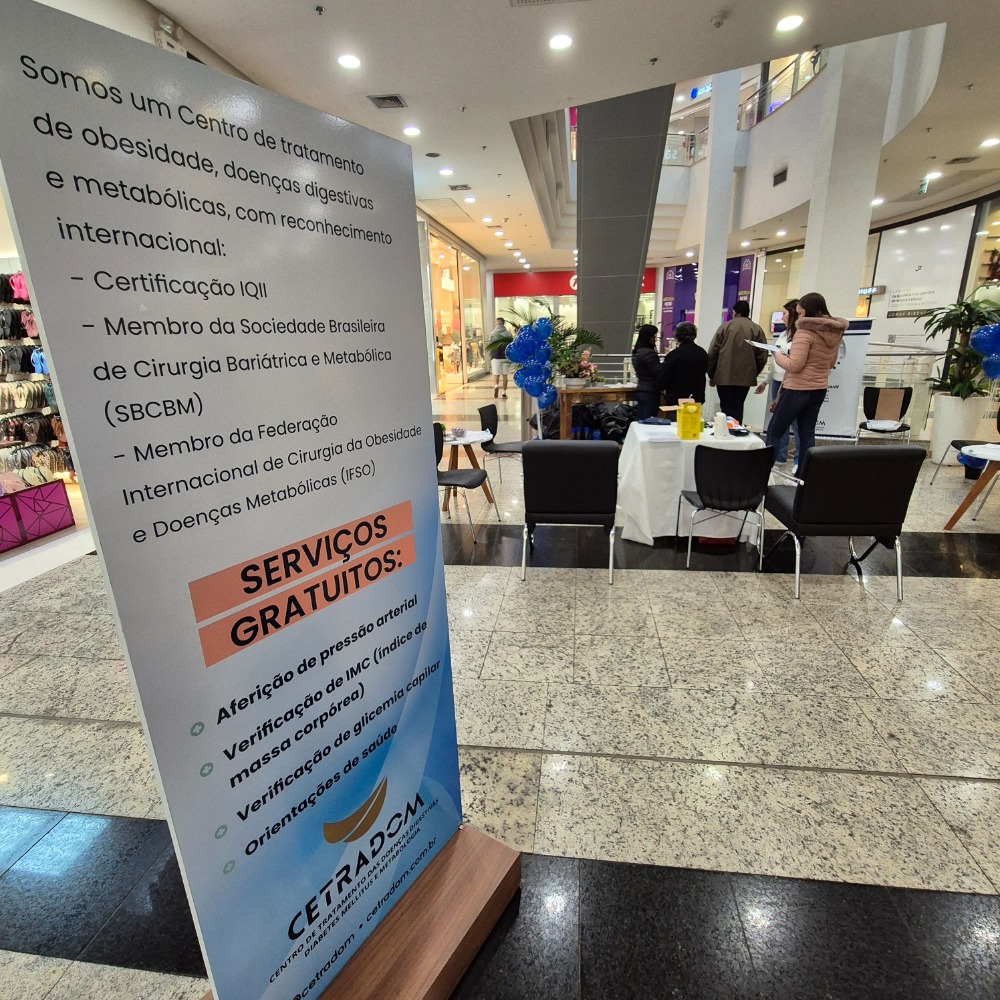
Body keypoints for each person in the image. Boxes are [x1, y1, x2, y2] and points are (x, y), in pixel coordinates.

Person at [767, 291, 848, 473]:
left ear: (809, 311)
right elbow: (831, 363)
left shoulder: (804, 332)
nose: (798, 317)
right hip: (819, 389)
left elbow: (794, 365)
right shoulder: (835, 332)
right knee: (807, 433)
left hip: (797, 389)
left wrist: (777, 355)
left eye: (800, 313)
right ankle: (804, 474)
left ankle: (762, 471)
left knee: (775, 430)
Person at [706, 300, 767, 424]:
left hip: (723, 376)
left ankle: (724, 430)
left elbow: (713, 353)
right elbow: (762, 355)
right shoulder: (757, 329)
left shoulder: (725, 327)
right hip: (745, 377)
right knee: (738, 405)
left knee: (725, 407)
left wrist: (712, 374)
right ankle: (736, 430)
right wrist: (753, 372)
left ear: (734, 312)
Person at [766, 300, 800, 464]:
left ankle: (799, 461)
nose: (782, 317)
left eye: (785, 313)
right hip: (777, 381)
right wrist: (766, 380)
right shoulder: (783, 334)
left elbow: (794, 363)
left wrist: (782, 357)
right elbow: (776, 359)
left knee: (796, 424)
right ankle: (780, 456)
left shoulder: (800, 336)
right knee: (779, 421)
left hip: (791, 383)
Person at [656, 322, 708, 406]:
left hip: (676, 398)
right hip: (697, 397)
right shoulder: (702, 353)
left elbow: (664, 377)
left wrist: (659, 386)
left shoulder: (674, 354)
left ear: (677, 336)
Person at [631, 324, 663, 419]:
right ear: (649, 337)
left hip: (641, 389)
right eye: (654, 336)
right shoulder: (649, 353)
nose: (655, 339)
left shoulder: (637, 352)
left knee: (641, 419)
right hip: (650, 391)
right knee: (649, 420)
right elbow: (657, 371)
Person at [487, 317, 510, 398]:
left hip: (495, 356)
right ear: (503, 323)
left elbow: (489, 346)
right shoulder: (508, 334)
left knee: (496, 374)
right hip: (505, 357)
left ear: (497, 323)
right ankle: (504, 392)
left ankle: (496, 386)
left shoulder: (492, 334)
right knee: (505, 375)